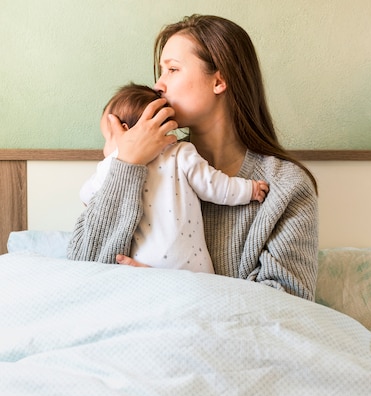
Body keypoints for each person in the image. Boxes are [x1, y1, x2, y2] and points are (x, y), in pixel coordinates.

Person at [68, 14, 319, 300]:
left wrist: (169, 286)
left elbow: (289, 304)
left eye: (172, 70)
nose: (158, 86)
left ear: (219, 81)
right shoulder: (138, 165)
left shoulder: (286, 187)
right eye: (160, 72)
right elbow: (82, 273)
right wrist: (125, 165)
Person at [77, 83, 269, 273]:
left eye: (107, 137)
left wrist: (116, 159)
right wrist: (249, 190)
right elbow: (214, 185)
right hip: (194, 270)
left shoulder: (112, 165)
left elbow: (87, 196)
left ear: (124, 130)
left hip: (142, 266)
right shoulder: (181, 153)